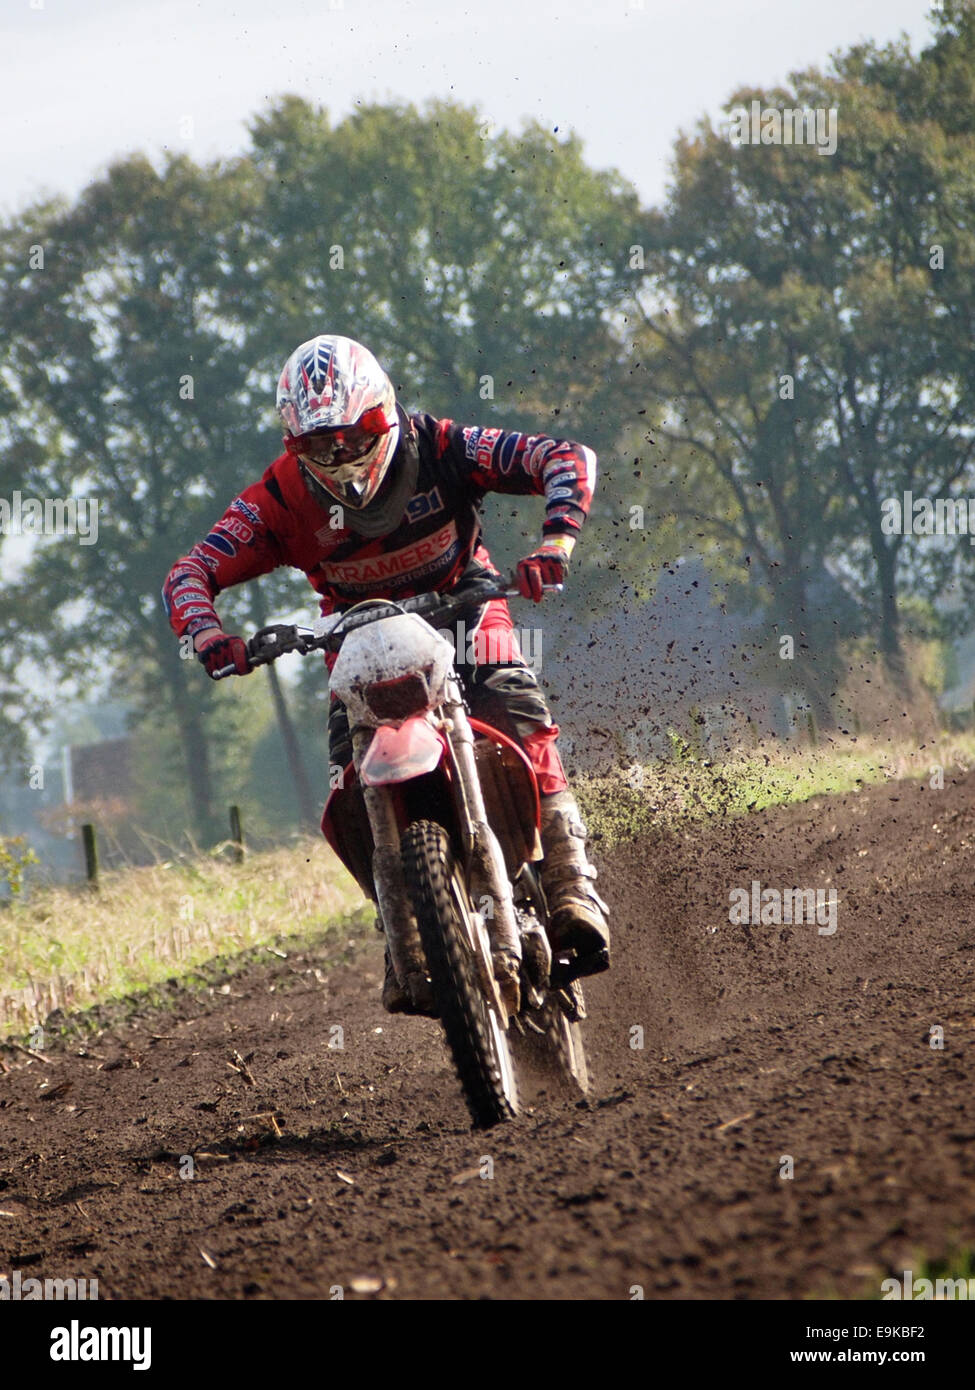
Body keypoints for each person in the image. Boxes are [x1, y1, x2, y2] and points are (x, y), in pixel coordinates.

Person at [163, 334, 609, 1011]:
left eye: (353, 435)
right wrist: (206, 632)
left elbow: (563, 457)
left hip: (464, 609)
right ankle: (397, 925)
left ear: (384, 413)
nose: (340, 458)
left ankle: (573, 883)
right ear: (294, 446)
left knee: (519, 712)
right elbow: (190, 571)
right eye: (319, 446)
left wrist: (555, 541)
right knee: (348, 778)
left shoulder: (442, 446)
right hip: (358, 638)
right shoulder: (279, 498)